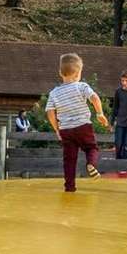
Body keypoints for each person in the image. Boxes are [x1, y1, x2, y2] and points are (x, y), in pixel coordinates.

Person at [45, 53, 109, 193]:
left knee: (69, 159)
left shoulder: (54, 93)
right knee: (91, 148)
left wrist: (57, 129)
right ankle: (91, 164)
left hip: (66, 130)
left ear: (60, 73)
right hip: (83, 127)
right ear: (78, 73)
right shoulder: (81, 86)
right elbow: (95, 98)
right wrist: (100, 114)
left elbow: (50, 112)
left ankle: (69, 187)